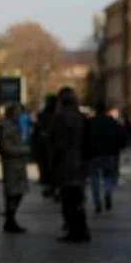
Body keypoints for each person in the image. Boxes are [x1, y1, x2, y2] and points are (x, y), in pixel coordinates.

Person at [49, 87, 91, 243]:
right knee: (78, 199)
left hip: (65, 163)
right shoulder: (81, 117)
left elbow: (56, 143)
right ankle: (82, 229)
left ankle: (74, 230)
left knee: (68, 199)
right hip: (79, 162)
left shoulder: (59, 118)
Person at [85, 102, 128, 214]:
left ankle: (97, 202)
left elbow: (84, 138)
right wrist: (119, 147)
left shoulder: (90, 122)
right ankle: (108, 192)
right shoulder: (112, 122)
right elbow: (121, 135)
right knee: (108, 176)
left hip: (93, 154)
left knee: (94, 178)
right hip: (109, 153)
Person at [0, 103, 30, 233]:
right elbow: (6, 147)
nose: (19, 115)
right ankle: (10, 219)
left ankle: (11, 218)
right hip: (12, 164)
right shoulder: (7, 127)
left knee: (17, 192)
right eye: (17, 112)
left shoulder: (11, 125)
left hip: (16, 164)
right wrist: (24, 150)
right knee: (13, 192)